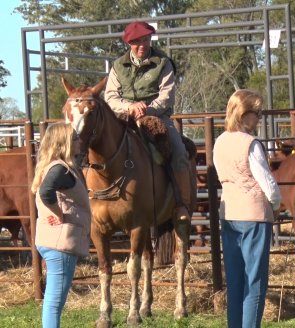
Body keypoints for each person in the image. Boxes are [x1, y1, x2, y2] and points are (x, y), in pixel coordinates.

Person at [105, 21, 192, 221]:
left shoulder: (163, 62)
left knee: (179, 152)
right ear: (128, 43)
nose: (142, 45)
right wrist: (129, 107)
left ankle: (181, 206)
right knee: (98, 148)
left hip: (156, 117)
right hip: (124, 117)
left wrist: (146, 109)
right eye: (136, 41)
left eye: (145, 39)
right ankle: (95, 202)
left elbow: (167, 96)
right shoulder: (118, 66)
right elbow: (110, 97)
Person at [213, 90, 281, 328]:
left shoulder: (219, 141)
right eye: (257, 112)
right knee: (255, 282)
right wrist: (277, 204)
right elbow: (268, 183)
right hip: (254, 216)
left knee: (235, 280)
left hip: (229, 213)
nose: (260, 117)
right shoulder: (250, 144)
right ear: (245, 113)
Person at [32, 123, 91, 328]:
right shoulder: (60, 169)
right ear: (63, 143)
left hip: (50, 240)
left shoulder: (51, 166)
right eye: (75, 138)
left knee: (53, 301)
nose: (80, 141)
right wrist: (59, 213)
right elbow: (46, 193)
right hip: (61, 244)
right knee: (54, 303)